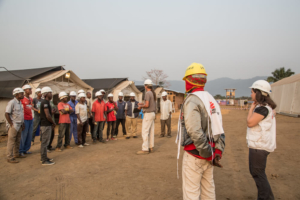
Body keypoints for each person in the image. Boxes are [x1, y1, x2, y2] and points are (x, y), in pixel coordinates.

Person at [178, 63, 225, 199]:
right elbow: (220, 128)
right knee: (208, 193)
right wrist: (216, 152)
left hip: (196, 155)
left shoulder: (193, 100)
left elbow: (195, 132)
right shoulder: (211, 99)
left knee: (191, 194)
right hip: (209, 154)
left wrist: (207, 154)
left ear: (189, 80)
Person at [247, 80, 276, 200]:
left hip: (259, 147)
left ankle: (265, 198)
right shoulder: (266, 108)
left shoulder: (262, 109)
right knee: (258, 173)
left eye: (252, 92)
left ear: (258, 93)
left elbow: (250, 122)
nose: (251, 94)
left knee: (258, 174)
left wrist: (251, 109)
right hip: (261, 145)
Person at [5, 88, 25, 163]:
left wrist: (23, 124)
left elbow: (20, 114)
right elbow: (7, 113)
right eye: (22, 93)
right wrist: (11, 124)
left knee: (18, 140)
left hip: (19, 125)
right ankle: (9, 157)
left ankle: (16, 154)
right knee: (11, 141)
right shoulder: (12, 102)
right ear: (17, 94)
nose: (23, 95)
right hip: (14, 125)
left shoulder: (20, 103)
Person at [136, 79, 156, 155]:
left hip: (148, 114)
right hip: (152, 113)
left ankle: (145, 149)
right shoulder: (152, 93)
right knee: (151, 131)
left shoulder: (147, 93)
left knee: (145, 131)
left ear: (146, 86)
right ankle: (151, 147)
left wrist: (141, 107)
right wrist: (141, 104)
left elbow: (147, 105)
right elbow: (149, 104)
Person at [39, 87, 55, 165]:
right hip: (45, 125)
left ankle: (44, 157)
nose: (51, 94)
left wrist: (51, 112)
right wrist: (53, 123)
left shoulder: (47, 102)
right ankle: (44, 160)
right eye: (50, 93)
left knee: (45, 142)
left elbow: (48, 113)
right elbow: (47, 116)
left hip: (46, 124)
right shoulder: (45, 102)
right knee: (44, 143)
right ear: (46, 94)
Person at [19, 85, 34, 155]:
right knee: (23, 135)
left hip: (31, 118)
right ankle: (21, 150)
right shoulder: (22, 99)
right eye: (29, 89)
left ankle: (26, 149)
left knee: (29, 135)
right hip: (25, 119)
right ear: (25, 90)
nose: (31, 90)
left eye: (31, 89)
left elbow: (32, 107)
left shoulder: (31, 99)